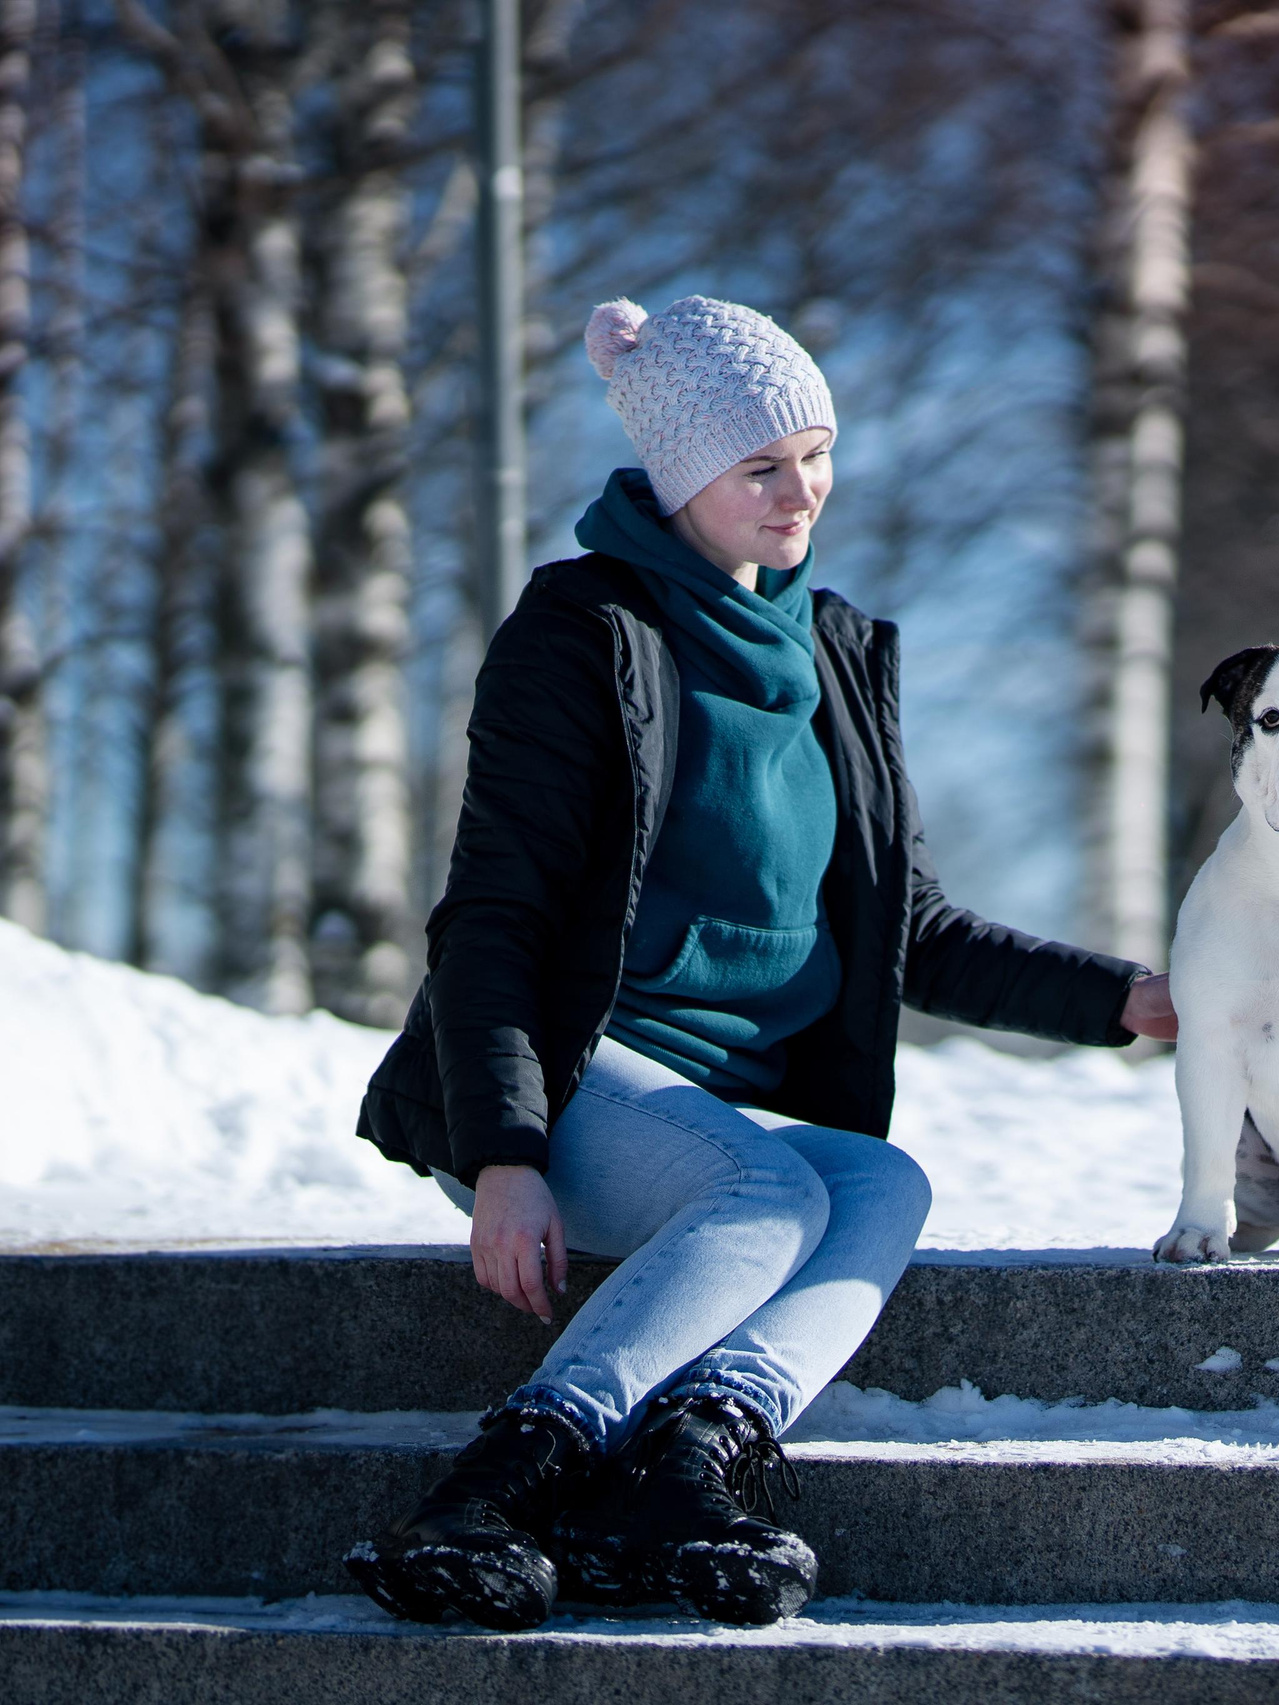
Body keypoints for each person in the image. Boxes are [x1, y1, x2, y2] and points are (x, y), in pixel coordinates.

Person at [342, 294, 1178, 1631]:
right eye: (761, 468)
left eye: (817, 453)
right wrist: (502, 1154)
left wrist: (1127, 999)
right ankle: (492, 1486)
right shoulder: (583, 631)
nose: (802, 493)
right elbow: (494, 913)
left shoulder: (832, 649)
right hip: (567, 1079)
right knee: (770, 1187)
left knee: (881, 1180)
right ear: (682, 477)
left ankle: (686, 1461)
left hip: (718, 1120)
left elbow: (907, 927)